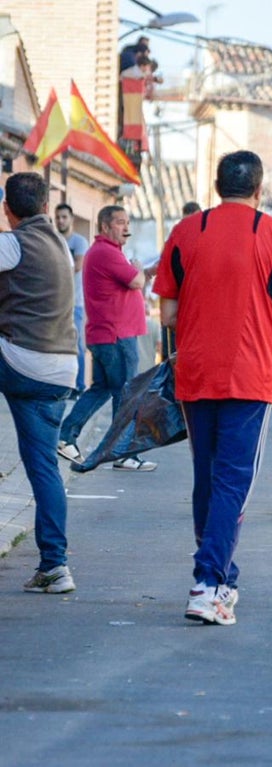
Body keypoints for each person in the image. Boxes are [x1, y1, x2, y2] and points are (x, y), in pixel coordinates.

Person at [154, 150, 272, 625]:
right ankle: (207, 584)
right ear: (259, 189)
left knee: (208, 477)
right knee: (233, 483)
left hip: (196, 371)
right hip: (249, 374)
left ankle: (224, 576)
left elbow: (166, 314)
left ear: (216, 186)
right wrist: (265, 332)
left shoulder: (187, 232)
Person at [0, 174, 80, 593]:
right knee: (45, 468)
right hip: (62, 367)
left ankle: (55, 564)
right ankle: (55, 566)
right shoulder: (61, 247)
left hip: (22, 361)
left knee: (42, 467)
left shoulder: (12, 243)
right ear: (47, 207)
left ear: (8, 210)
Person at [56, 205, 155, 471]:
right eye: (120, 222)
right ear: (104, 227)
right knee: (125, 394)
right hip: (116, 335)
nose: (126, 227)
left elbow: (135, 277)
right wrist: (139, 270)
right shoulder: (107, 253)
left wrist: (147, 270)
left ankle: (66, 436)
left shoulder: (106, 253)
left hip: (107, 335)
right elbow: (136, 281)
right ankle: (121, 453)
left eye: (127, 222)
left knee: (101, 389)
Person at [54, 203, 88, 394]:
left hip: (74, 303)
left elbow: (77, 266)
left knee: (76, 347)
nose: (61, 220)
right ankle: (63, 385)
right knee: (56, 347)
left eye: (64, 217)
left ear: (71, 219)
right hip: (55, 304)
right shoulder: (54, 240)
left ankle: (79, 386)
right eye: (58, 217)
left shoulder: (79, 242)